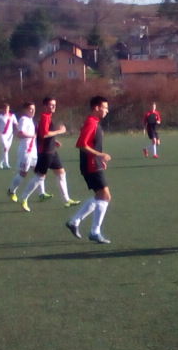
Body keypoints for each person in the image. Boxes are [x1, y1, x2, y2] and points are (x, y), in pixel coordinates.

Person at [66, 96, 114, 244]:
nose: (107, 110)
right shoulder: (91, 122)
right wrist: (100, 155)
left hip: (94, 163)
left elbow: (92, 144)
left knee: (101, 196)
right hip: (90, 165)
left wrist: (99, 159)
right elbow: (81, 144)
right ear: (96, 108)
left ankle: (75, 222)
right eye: (105, 108)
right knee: (105, 196)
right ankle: (94, 231)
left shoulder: (95, 122)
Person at [19, 97, 76, 211]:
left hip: (52, 151)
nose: (53, 106)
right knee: (40, 177)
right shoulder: (45, 117)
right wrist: (59, 131)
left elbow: (42, 134)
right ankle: (24, 198)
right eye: (51, 105)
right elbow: (44, 134)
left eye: (54, 104)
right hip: (45, 152)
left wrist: (54, 141)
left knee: (61, 173)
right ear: (45, 106)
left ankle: (67, 200)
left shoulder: (48, 116)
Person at [8, 101, 38, 202]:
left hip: (33, 151)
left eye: (34, 109)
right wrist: (32, 136)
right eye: (30, 109)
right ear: (25, 110)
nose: (33, 111)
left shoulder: (31, 120)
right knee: (23, 173)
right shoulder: (23, 119)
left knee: (39, 172)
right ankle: (11, 190)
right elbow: (20, 134)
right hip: (26, 151)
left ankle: (42, 193)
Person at [0, 102, 15, 169]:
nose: (6, 110)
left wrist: (19, 130)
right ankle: (6, 164)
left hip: (10, 135)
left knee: (6, 150)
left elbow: (16, 124)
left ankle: (1, 162)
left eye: (7, 108)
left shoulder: (12, 116)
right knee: (5, 148)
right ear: (3, 109)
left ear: (9, 109)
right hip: (3, 134)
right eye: (5, 108)